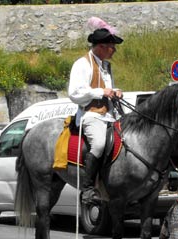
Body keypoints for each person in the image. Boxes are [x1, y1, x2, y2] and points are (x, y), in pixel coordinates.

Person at [68, 19, 123, 205]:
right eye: (111, 47)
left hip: (109, 115)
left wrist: (115, 92)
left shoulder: (106, 66)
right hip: (90, 115)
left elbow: (107, 89)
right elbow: (74, 93)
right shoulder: (81, 64)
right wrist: (101, 92)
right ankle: (88, 188)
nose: (114, 50)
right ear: (100, 46)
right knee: (98, 144)